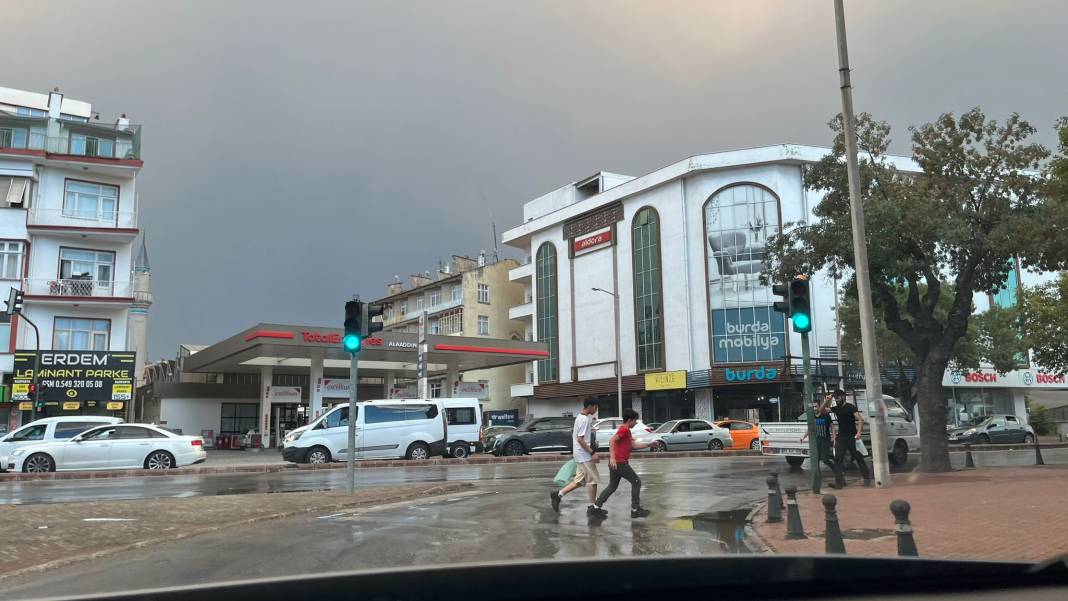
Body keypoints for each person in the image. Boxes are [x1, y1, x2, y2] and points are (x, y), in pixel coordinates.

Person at [550, 398, 606, 517]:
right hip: (584, 455)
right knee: (593, 481)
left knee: (580, 481)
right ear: (590, 406)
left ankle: (558, 495)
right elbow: (580, 439)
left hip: (579, 454)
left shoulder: (580, 418)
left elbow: (580, 436)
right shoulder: (584, 419)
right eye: (595, 407)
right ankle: (592, 508)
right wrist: (592, 453)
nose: (596, 410)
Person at [592, 408, 651, 518]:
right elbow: (612, 440)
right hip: (619, 463)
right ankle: (635, 509)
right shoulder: (624, 429)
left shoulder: (626, 431)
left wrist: (649, 444)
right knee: (636, 482)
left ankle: (596, 507)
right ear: (630, 420)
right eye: (635, 421)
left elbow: (633, 445)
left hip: (616, 463)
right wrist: (613, 458)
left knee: (612, 486)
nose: (636, 423)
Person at [801, 394, 845, 489]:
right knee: (815, 460)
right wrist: (803, 437)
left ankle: (838, 473)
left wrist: (834, 438)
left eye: (816, 406)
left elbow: (832, 427)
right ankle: (817, 479)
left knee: (825, 459)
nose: (815, 408)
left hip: (825, 439)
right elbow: (810, 428)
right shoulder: (812, 416)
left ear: (819, 406)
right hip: (816, 440)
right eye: (813, 407)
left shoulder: (825, 415)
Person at [829, 389, 872, 486]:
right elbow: (823, 409)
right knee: (837, 459)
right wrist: (828, 399)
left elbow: (860, 419)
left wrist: (859, 432)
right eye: (835, 398)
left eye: (838, 397)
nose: (836, 400)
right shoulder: (836, 408)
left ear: (843, 397)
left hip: (852, 438)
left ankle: (866, 478)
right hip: (841, 438)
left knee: (858, 458)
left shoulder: (850, 407)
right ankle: (839, 483)